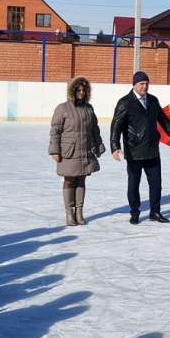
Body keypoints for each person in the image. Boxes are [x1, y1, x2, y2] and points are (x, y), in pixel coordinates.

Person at [111, 71, 170, 225]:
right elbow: (115, 127)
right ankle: (135, 212)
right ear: (134, 85)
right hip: (134, 151)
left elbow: (165, 122)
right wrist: (115, 147)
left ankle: (155, 212)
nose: (145, 87)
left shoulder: (153, 100)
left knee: (156, 184)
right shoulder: (125, 102)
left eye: (146, 83)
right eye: (141, 84)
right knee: (133, 184)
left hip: (152, 150)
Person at [49, 76, 104, 227]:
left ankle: (79, 212)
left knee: (81, 179)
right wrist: (54, 150)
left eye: (84, 90)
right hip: (69, 151)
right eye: (78, 90)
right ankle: (69, 213)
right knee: (69, 180)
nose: (81, 92)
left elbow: (95, 129)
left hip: (85, 149)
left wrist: (99, 145)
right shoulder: (62, 108)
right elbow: (55, 131)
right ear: (72, 91)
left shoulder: (88, 108)